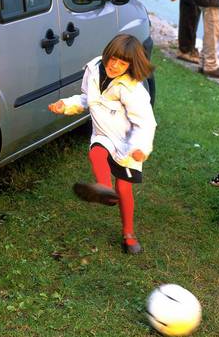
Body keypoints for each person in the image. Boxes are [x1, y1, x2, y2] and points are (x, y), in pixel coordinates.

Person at [48, 34, 156, 255]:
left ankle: (128, 234)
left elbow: (145, 123)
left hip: (128, 143)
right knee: (96, 152)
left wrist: (141, 148)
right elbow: (87, 98)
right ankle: (104, 189)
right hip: (104, 134)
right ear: (107, 53)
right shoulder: (93, 69)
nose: (114, 66)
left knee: (124, 188)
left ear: (130, 65)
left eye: (122, 63)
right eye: (112, 59)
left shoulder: (133, 90)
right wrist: (66, 105)